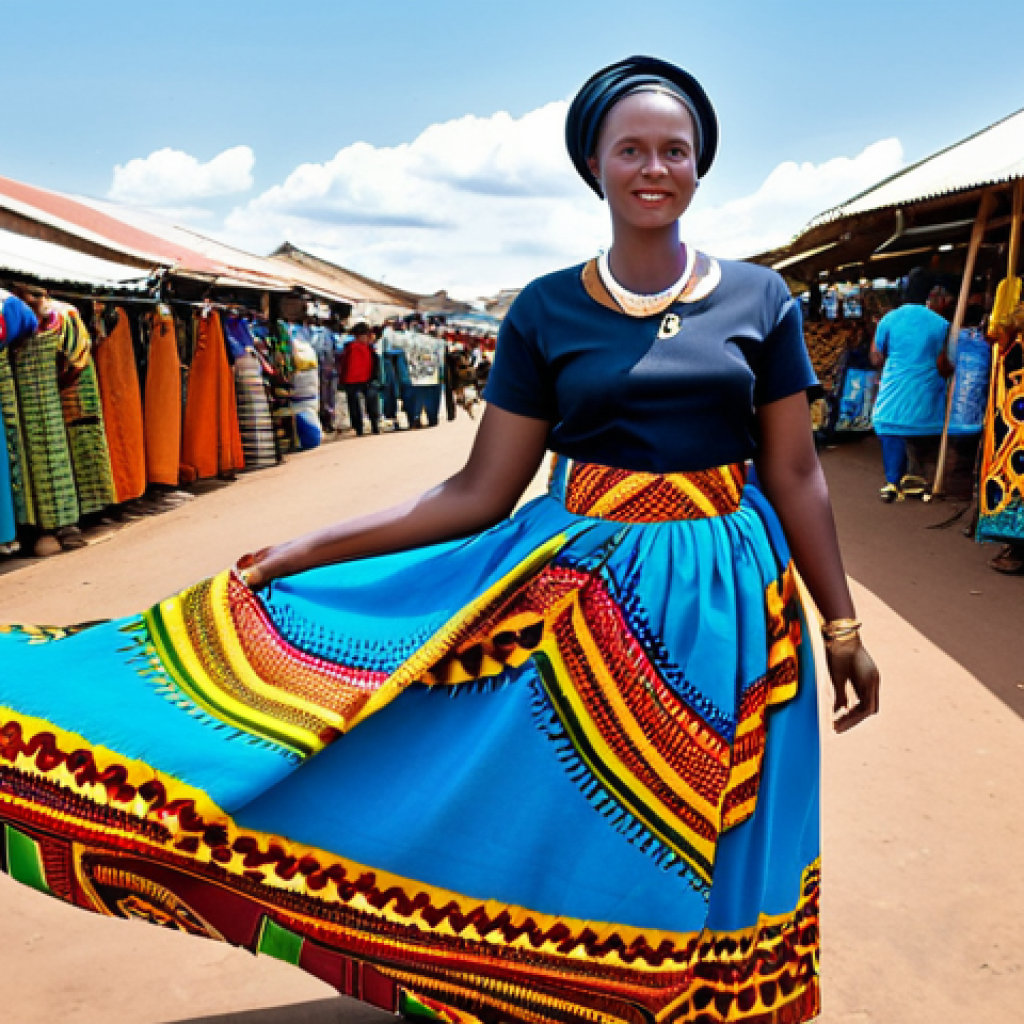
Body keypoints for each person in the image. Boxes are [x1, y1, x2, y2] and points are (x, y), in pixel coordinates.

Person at [0, 57, 878, 1024]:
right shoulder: (546, 310)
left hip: (735, 610)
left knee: (732, 827)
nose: (654, 168)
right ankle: (571, 992)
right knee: (561, 814)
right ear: (595, 162)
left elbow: (794, 473)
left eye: (676, 150)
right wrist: (302, 551)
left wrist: (841, 626)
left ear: (701, 165)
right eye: (631, 148)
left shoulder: (763, 301)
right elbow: (479, 490)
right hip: (580, 607)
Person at [870, 285, 953, 501]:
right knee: (925, 436)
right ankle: (923, 481)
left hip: (894, 391)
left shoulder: (889, 319)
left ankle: (892, 482)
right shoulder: (941, 324)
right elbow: (945, 363)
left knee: (890, 429)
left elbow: (877, 356)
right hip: (927, 391)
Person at [337, 320, 381, 436]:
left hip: (354, 381)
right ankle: (373, 425)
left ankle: (361, 428)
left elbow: (344, 365)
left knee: (355, 405)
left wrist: (342, 381)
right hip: (362, 380)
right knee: (370, 403)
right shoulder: (364, 348)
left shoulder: (351, 347)